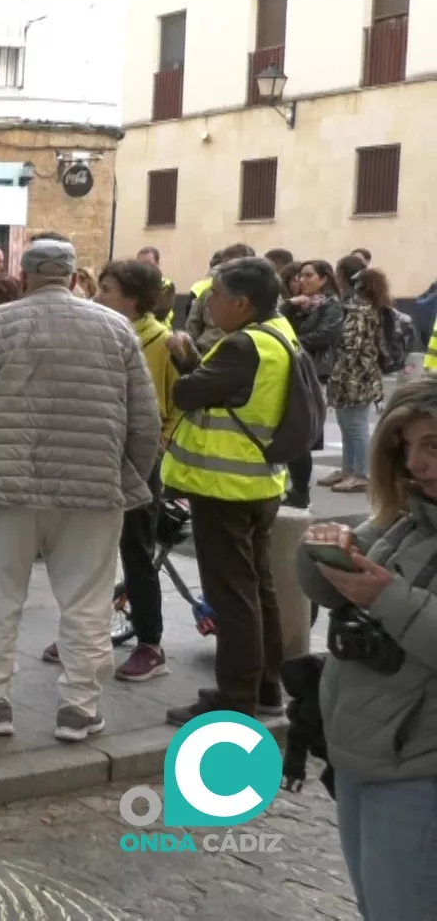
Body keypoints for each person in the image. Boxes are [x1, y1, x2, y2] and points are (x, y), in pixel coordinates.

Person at [0, 238, 161, 743]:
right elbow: (145, 422)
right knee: (87, 602)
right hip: (93, 488)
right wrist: (127, 473)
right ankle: (80, 707)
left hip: (7, 489)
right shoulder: (118, 330)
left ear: (24, 276)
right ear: (71, 276)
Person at [297, 377, 437, 920]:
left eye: (433, 446)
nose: (418, 463)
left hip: (416, 768)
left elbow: (395, 608)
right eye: (408, 447)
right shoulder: (408, 517)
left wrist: (388, 597)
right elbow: (333, 598)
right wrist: (322, 557)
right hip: (361, 755)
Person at [161, 257, 297, 724]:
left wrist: (183, 359)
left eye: (215, 294)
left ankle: (235, 697)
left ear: (241, 303)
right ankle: (266, 690)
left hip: (226, 487)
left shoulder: (242, 345)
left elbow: (190, 393)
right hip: (258, 483)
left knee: (233, 593)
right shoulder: (280, 335)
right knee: (259, 589)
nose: (207, 301)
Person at [38, 260, 183, 681]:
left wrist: (160, 443)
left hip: (137, 462)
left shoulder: (160, 341)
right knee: (87, 551)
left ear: (133, 300)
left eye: (106, 289)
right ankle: (83, 635)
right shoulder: (100, 330)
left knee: (136, 553)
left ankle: (151, 645)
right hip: (97, 455)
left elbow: (177, 403)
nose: (97, 296)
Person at [283, 258, 344, 510]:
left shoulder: (331, 306)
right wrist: (290, 306)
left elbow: (325, 335)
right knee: (289, 429)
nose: (303, 280)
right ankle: (295, 488)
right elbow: (276, 321)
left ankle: (300, 490)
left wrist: (289, 341)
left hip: (313, 372)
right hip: (291, 367)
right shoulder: (298, 304)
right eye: (300, 275)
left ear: (323, 279)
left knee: (300, 431)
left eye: (309, 275)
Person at [326, 263, 392, 495]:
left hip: (354, 376)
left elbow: (350, 347)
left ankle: (361, 474)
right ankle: (349, 470)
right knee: (348, 425)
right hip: (361, 375)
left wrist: (336, 375)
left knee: (355, 425)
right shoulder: (370, 308)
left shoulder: (358, 311)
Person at [187, 242, 258, 353]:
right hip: (206, 351)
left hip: (239, 352)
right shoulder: (209, 292)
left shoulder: (260, 294)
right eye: (226, 265)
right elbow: (193, 324)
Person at [138, 246, 176, 324]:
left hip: (159, 332)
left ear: (157, 263)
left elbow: (159, 313)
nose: (144, 268)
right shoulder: (133, 284)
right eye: (140, 264)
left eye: (148, 264)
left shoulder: (166, 285)